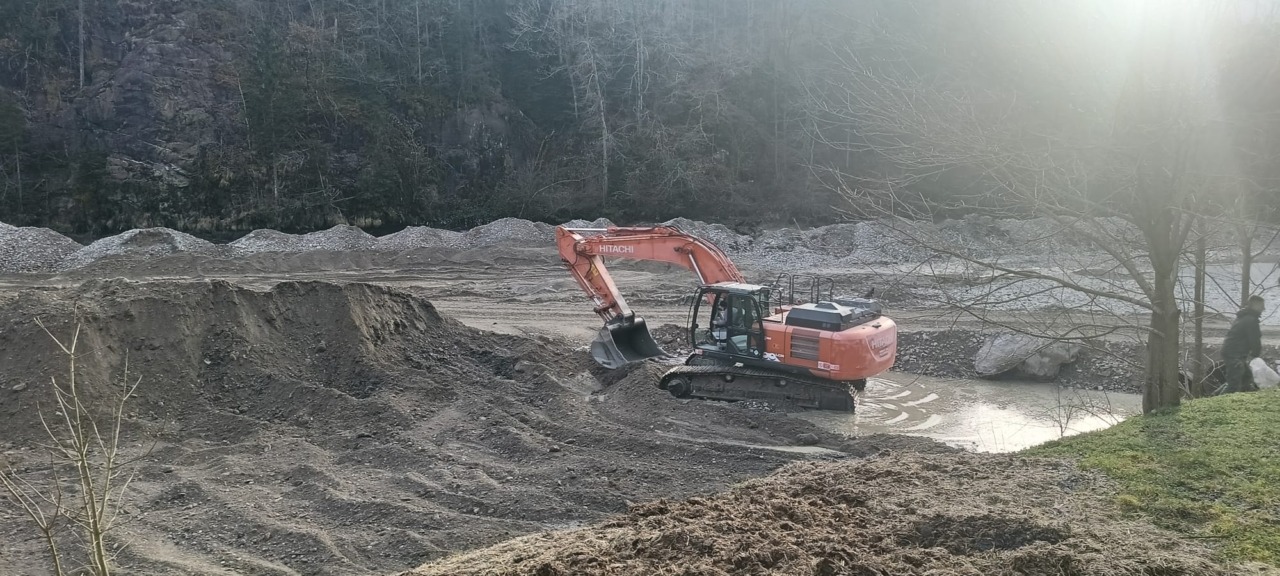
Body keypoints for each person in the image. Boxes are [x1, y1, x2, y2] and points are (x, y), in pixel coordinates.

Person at [1220, 295, 1265, 394]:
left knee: (1246, 377)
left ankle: (1243, 398)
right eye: (1262, 306)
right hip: (1234, 354)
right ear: (1255, 306)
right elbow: (1254, 340)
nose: (1264, 309)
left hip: (1232, 351)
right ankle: (1217, 402)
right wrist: (1256, 354)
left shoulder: (1243, 316)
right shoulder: (1251, 320)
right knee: (1233, 383)